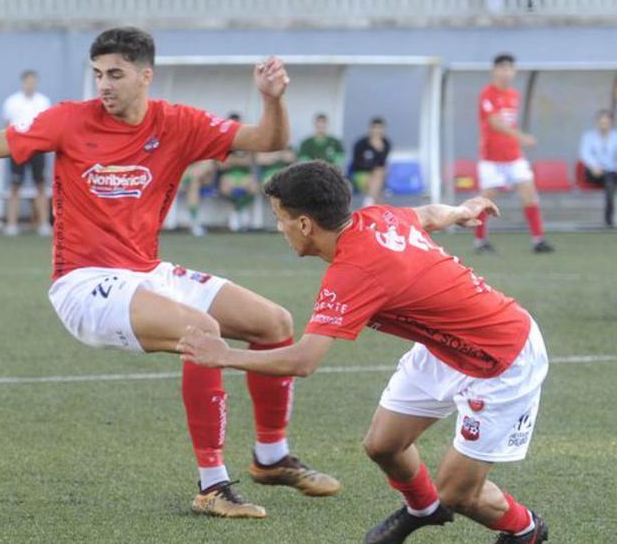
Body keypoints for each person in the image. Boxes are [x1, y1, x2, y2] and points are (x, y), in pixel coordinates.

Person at [0, 28, 340, 519]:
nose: (104, 85)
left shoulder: (177, 123)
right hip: (84, 283)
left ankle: (271, 457)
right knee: (201, 332)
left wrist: (272, 100)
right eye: (98, 74)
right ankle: (213, 485)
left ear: (145, 76)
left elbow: (271, 139)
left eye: (115, 74)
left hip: (146, 271)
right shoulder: (69, 121)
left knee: (276, 323)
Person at [179, 160, 550, 544]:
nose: (279, 228)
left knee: (458, 493)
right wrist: (460, 211)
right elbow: (426, 215)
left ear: (305, 224)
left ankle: (526, 530)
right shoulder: (375, 217)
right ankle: (422, 509)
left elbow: (303, 361)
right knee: (383, 445)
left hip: (501, 358)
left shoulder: (353, 272)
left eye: (280, 218)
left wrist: (223, 355)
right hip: (444, 347)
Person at [474, 54, 553, 254]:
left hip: (514, 157)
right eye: (502, 68)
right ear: (494, 71)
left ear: (514, 71)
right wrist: (521, 136)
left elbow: (509, 123)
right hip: (491, 158)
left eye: (510, 68)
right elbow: (494, 122)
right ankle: (480, 241)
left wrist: (517, 142)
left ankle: (538, 239)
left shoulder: (513, 95)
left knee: (529, 193)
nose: (506, 72)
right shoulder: (487, 94)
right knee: (486, 199)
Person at [1, 70, 52, 237]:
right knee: (15, 186)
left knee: (40, 186)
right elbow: (7, 127)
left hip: (38, 149)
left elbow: (48, 126)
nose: (30, 84)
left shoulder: (43, 101)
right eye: (28, 81)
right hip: (17, 148)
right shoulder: (11, 102)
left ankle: (43, 224)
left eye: (33, 81)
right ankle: (11, 224)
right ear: (23, 82)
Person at [579, 109, 617, 227]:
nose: (603, 125)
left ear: (611, 123)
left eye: (605, 123)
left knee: (609, 178)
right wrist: (594, 166)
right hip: (593, 172)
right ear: (596, 123)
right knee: (609, 179)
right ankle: (608, 220)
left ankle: (608, 219)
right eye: (600, 122)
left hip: (611, 172)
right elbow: (584, 153)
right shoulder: (588, 136)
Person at [350, 116, 391, 207]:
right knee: (378, 175)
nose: (377, 131)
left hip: (378, 177)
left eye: (379, 128)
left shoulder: (386, 144)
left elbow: (382, 163)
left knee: (379, 173)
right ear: (370, 129)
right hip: (361, 175)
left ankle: (369, 202)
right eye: (374, 128)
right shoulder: (360, 144)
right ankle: (374, 204)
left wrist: (379, 150)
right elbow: (357, 164)